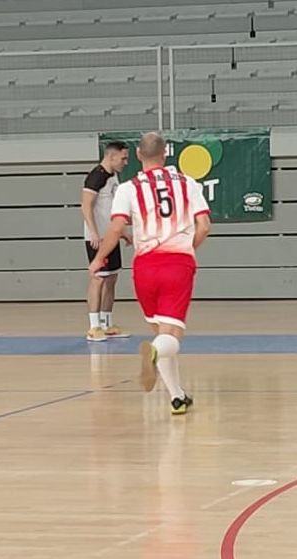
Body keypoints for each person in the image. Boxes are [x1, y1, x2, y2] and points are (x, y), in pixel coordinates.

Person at [88, 132, 211, 415]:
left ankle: (177, 397)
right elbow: (204, 226)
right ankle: (154, 353)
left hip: (144, 267)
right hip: (177, 264)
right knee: (171, 337)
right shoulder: (188, 183)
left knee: (161, 331)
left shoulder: (128, 189)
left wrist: (98, 259)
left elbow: (116, 228)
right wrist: (187, 249)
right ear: (165, 154)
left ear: (139, 155)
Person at [81, 141, 131, 342]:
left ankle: (107, 324)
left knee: (111, 278)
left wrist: (122, 232)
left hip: (110, 236)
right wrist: (93, 232)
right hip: (98, 238)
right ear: (111, 156)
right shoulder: (96, 176)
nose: (125, 162)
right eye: (123, 158)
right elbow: (86, 206)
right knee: (98, 279)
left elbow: (110, 208)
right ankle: (94, 327)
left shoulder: (113, 176)